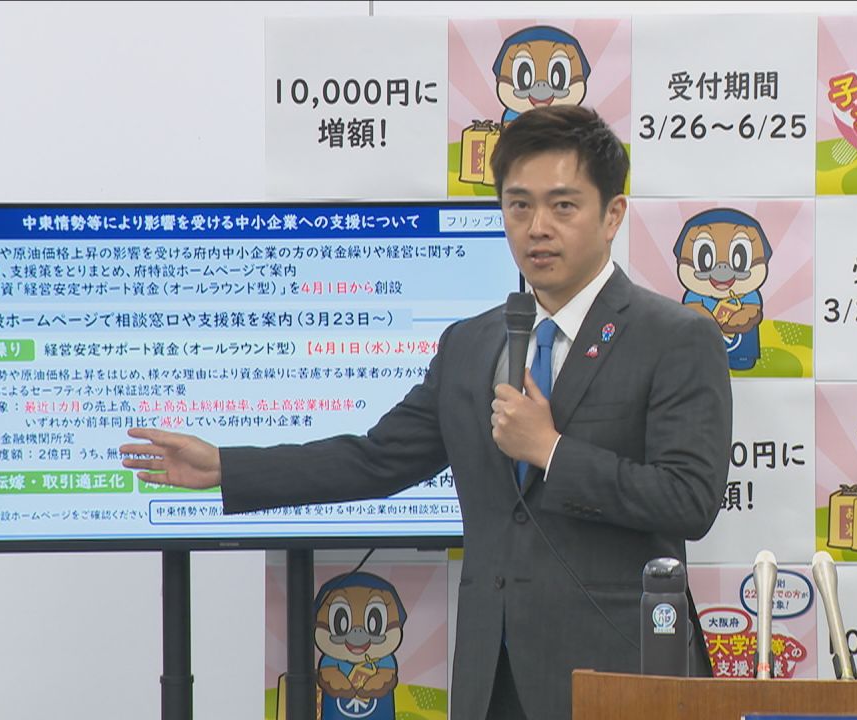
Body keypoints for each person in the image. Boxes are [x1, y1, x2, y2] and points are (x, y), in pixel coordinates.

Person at [120, 105, 733, 720]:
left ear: (613, 215)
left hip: (622, 673)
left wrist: (550, 451)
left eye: (563, 206)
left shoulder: (676, 337)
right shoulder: (472, 344)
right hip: (492, 677)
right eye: (519, 206)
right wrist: (227, 467)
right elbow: (376, 460)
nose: (537, 228)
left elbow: (688, 499)